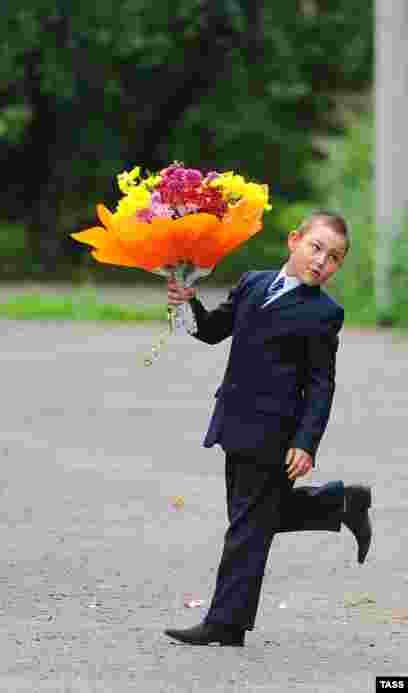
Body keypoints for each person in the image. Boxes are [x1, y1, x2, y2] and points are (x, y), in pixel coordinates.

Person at [162, 211, 373, 647]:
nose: (321, 262)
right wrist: (186, 301)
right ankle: (341, 503)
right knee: (254, 519)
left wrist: (306, 442)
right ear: (294, 241)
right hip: (234, 422)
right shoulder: (253, 283)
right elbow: (212, 331)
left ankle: (226, 623)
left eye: (334, 258)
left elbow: (320, 384)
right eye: (315, 248)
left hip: (274, 434)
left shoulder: (324, 313)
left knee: (247, 525)